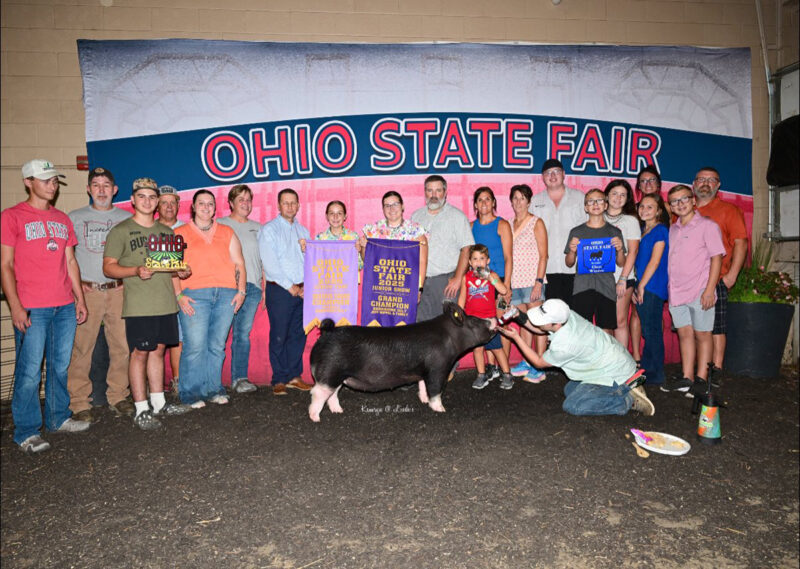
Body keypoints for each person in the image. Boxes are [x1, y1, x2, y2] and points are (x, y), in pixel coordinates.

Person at [1, 159, 91, 452]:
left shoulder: (63, 219)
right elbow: (6, 265)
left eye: (54, 181)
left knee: (59, 366)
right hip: (32, 308)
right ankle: (26, 431)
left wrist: (79, 298)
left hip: (63, 305)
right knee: (28, 371)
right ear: (28, 181)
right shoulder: (12, 216)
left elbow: (70, 261)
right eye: (46, 180)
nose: (52, 185)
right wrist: (15, 306)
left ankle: (57, 417)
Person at [103, 178, 192, 430]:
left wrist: (181, 271)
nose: (147, 201)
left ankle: (159, 402)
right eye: (141, 197)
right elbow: (108, 267)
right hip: (140, 305)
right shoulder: (121, 231)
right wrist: (134, 270)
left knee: (159, 351)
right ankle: (141, 408)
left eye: (152, 197)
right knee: (139, 353)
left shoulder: (166, 232)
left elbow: (171, 267)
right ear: (132, 200)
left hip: (164, 302)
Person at [500, 299, 654, 416]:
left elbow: (539, 363)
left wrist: (517, 338)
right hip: (615, 361)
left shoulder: (565, 343)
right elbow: (541, 329)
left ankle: (626, 399)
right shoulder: (567, 316)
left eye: (543, 320)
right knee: (570, 389)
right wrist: (518, 315)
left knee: (573, 405)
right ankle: (624, 387)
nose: (539, 322)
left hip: (615, 372)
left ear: (556, 324)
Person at [66, 167, 133, 422]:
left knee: (122, 346)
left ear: (115, 190)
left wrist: (129, 283)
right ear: (88, 189)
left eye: (106, 185)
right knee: (82, 347)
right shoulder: (74, 218)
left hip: (117, 290)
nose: (102, 190)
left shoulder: (126, 219)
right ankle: (79, 402)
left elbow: (131, 256)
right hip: (87, 290)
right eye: (96, 185)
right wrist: (74, 286)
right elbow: (65, 257)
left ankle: (118, 396)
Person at [174, 190, 247, 407]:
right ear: (193, 207)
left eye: (210, 204)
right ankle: (191, 393)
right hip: (194, 295)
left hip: (225, 294)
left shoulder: (227, 231)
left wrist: (241, 291)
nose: (206, 207)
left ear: (215, 208)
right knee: (195, 346)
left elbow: (240, 263)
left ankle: (214, 388)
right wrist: (179, 295)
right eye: (201, 203)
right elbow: (172, 269)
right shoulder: (179, 233)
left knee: (217, 345)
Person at [662, 184, 724, 394]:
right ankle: (687, 377)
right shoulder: (672, 229)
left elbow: (716, 259)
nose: (680, 204)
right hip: (677, 292)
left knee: (703, 335)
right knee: (684, 334)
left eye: (684, 199)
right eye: (675, 201)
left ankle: (701, 379)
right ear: (670, 207)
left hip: (700, 291)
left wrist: (709, 290)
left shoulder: (708, 226)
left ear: (693, 201)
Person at [693, 166, 748, 373]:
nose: (705, 183)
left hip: (716, 280)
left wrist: (731, 275)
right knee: (695, 329)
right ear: (694, 184)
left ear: (718, 185)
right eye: (701, 179)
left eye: (711, 180)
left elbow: (741, 243)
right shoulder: (685, 210)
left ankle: (715, 372)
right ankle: (697, 371)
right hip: (690, 282)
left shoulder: (729, 211)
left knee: (716, 329)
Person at [258, 188, 312, 396]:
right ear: (279, 206)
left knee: (298, 334)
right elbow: (270, 264)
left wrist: (306, 286)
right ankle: (279, 378)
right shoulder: (269, 230)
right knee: (279, 334)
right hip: (280, 290)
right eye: (285, 203)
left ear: (298, 206)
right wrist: (292, 287)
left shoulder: (304, 232)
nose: (290, 206)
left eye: (293, 203)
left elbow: (310, 261)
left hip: (302, 290)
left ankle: (293, 375)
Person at [217, 185, 264, 394]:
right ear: (230, 203)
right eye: (240, 199)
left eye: (248, 199)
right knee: (218, 335)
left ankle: (239, 378)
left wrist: (264, 287)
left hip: (253, 287)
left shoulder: (258, 227)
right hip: (227, 287)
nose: (245, 203)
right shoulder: (219, 224)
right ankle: (211, 381)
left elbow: (263, 260)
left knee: (242, 335)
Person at [411, 175, 474, 322]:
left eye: (438, 190)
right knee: (421, 328)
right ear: (424, 192)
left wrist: (458, 278)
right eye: (429, 191)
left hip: (446, 281)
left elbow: (466, 248)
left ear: (445, 192)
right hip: (421, 282)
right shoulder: (415, 216)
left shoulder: (457, 216)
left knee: (449, 329)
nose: (433, 195)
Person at [564, 189, 625, 334]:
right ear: (586, 207)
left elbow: (621, 263)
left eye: (599, 200)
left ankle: (605, 357)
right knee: (582, 329)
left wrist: (620, 249)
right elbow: (569, 263)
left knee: (606, 329)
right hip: (582, 286)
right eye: (591, 201)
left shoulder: (614, 232)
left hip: (606, 287)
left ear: (605, 205)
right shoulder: (576, 232)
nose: (595, 204)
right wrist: (572, 251)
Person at [528, 158, 586, 305]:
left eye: (556, 172)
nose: (552, 176)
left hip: (577, 269)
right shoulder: (535, 201)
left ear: (564, 174)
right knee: (552, 316)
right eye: (548, 173)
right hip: (547, 270)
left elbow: (590, 228)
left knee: (575, 315)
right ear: (542, 177)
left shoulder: (580, 198)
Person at [470, 186, 513, 381]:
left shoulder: (501, 224)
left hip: (498, 281)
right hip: (479, 286)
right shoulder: (471, 226)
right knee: (484, 324)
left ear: (494, 202)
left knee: (500, 323)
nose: (484, 203)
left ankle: (504, 369)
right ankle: (490, 367)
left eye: (488, 199)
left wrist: (507, 286)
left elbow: (508, 257)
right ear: (475, 205)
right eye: (480, 200)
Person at [507, 183, 548, 383]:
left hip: (533, 281)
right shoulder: (507, 223)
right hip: (514, 282)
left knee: (538, 323)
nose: (518, 202)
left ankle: (540, 364)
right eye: (515, 198)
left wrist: (539, 282)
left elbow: (543, 255)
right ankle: (527, 361)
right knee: (525, 323)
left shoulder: (536, 222)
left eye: (522, 198)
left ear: (529, 201)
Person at [458, 244, 514, 390]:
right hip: (473, 321)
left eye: (482, 259)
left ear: (487, 261)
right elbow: (462, 298)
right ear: (470, 262)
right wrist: (458, 314)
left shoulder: (492, 275)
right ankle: (481, 374)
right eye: (475, 259)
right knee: (477, 349)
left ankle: (507, 374)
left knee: (496, 348)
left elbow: (503, 290)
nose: (478, 262)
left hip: (489, 321)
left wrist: (490, 278)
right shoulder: (466, 277)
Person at [630, 165, 669, 363]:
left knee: (652, 328)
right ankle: (647, 364)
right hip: (643, 283)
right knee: (648, 326)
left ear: (658, 211)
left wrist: (642, 285)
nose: (644, 210)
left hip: (652, 285)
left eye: (650, 207)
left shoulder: (660, 230)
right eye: (642, 207)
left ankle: (655, 371)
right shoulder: (645, 229)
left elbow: (655, 260)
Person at [360, 191, 428, 297]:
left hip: (407, 286)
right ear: (383, 209)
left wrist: (419, 288)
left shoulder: (416, 230)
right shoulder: (373, 230)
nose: (391, 209)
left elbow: (422, 261)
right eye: (387, 205)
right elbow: (367, 260)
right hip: (381, 287)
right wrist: (363, 248)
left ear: (402, 206)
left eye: (395, 204)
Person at [603, 180, 641, 355]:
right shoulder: (597, 217)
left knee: (619, 321)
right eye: (614, 193)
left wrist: (623, 279)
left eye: (623, 195)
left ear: (627, 199)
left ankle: (622, 364)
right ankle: (608, 363)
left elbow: (633, 252)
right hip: (599, 278)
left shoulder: (630, 221)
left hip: (622, 277)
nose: (618, 198)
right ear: (607, 196)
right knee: (604, 323)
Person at [156, 184, 184, 392]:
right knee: (155, 342)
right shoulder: (151, 229)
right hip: (155, 292)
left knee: (179, 339)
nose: (168, 206)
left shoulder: (186, 229)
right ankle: (152, 386)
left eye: (172, 202)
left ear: (178, 205)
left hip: (184, 293)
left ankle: (177, 381)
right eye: (164, 202)